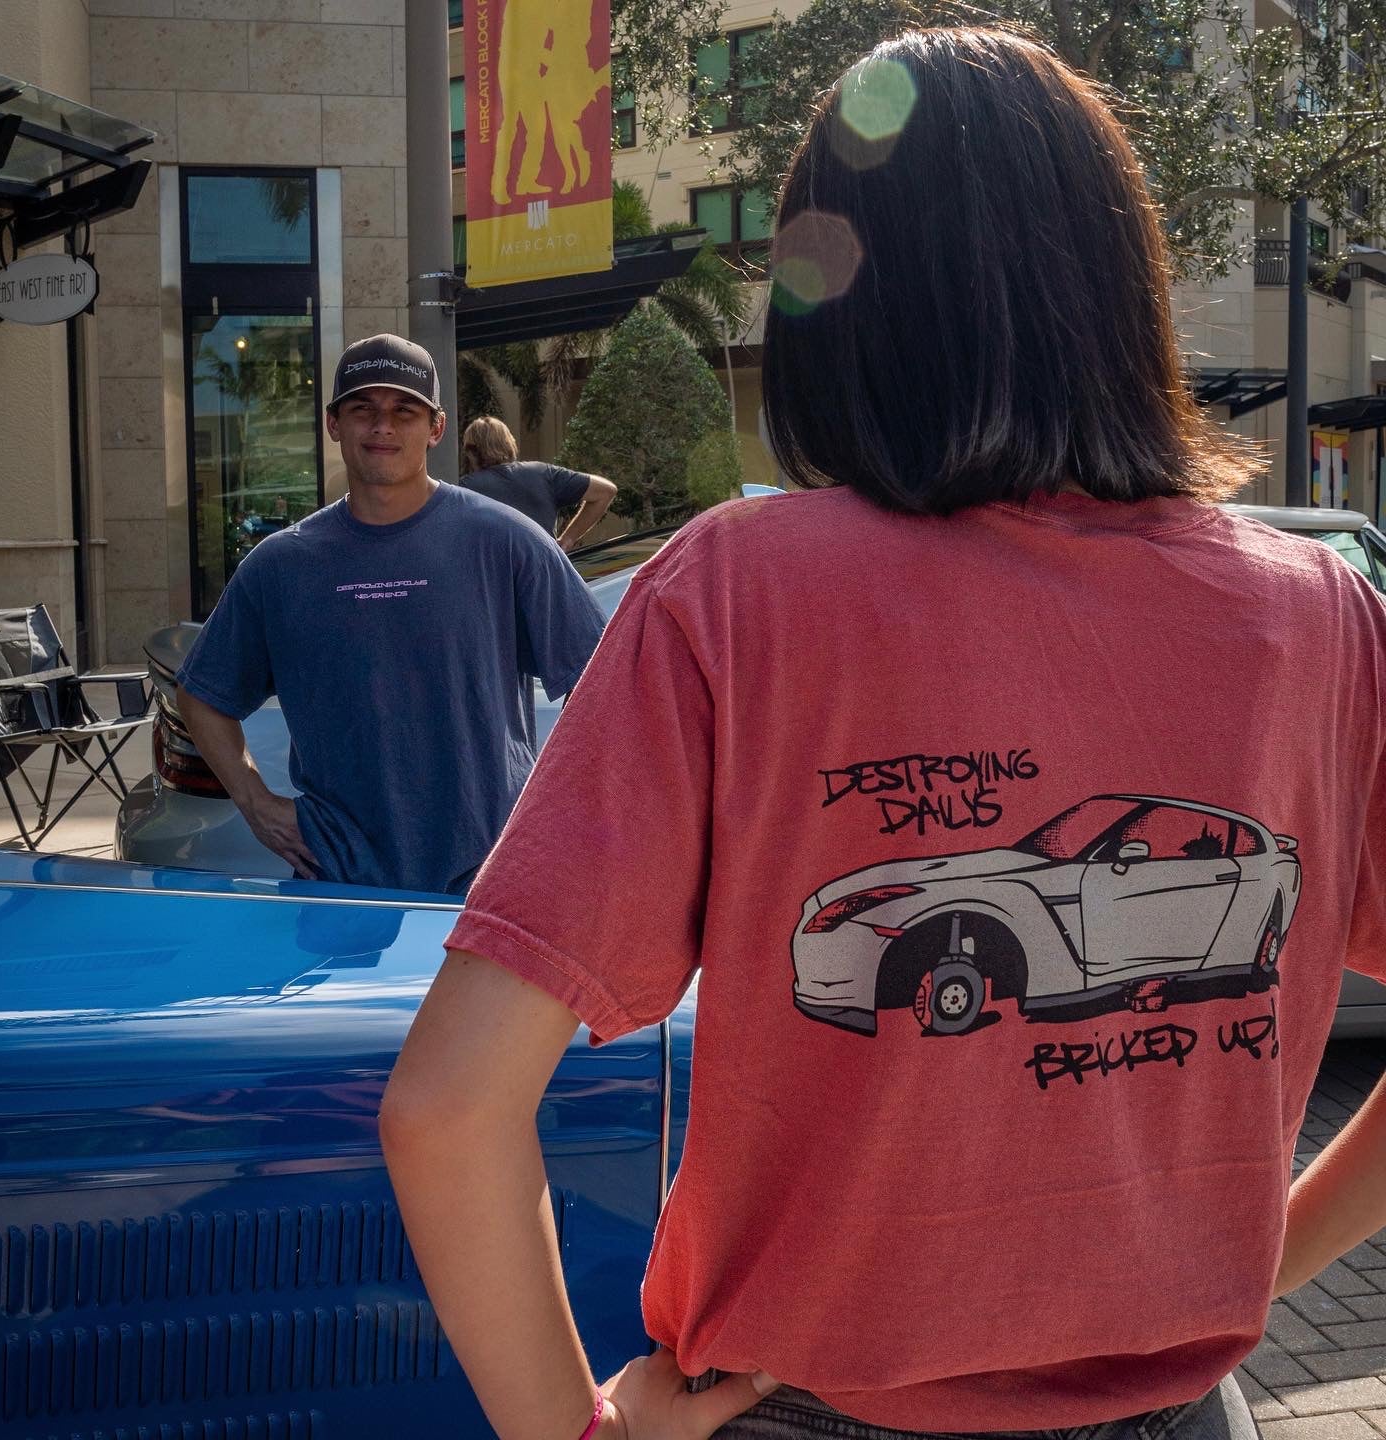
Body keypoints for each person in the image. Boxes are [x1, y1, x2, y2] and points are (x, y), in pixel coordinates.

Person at [379, 29, 1386, 1440]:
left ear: (833, 302)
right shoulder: (1321, 615)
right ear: (1118, 286)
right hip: (1178, 1405)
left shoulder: (740, 593)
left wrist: (573, 1436)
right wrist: (1248, 1264)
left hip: (808, 1409)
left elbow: (447, 1112)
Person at [175, 333, 604, 896]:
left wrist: (562, 817)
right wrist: (255, 803)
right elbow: (202, 694)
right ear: (335, 424)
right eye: (363, 409)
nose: (383, 426)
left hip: (490, 878)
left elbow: (607, 684)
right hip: (336, 876)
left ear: (435, 428)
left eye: (405, 410)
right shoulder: (280, 566)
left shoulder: (504, 542)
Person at [460, 415, 617, 551]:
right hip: (544, 576)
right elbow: (605, 491)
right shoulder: (542, 473)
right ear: (509, 443)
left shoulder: (465, 490)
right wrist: (568, 540)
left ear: (472, 452)